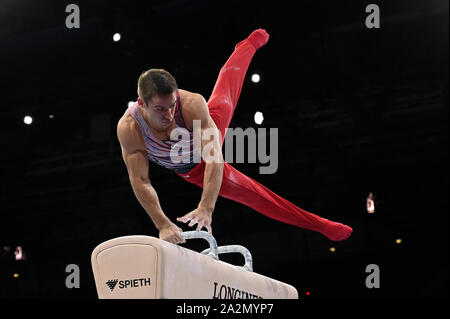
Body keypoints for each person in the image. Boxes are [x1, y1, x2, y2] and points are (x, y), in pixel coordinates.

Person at [117, 29, 353, 245]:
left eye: (172, 105)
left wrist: (206, 207)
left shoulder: (191, 105)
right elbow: (141, 181)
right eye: (160, 109)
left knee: (225, 92)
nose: (169, 114)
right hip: (191, 170)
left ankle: (246, 46)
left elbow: (213, 158)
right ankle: (320, 225)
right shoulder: (130, 129)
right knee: (256, 196)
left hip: (206, 148)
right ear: (142, 104)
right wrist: (163, 224)